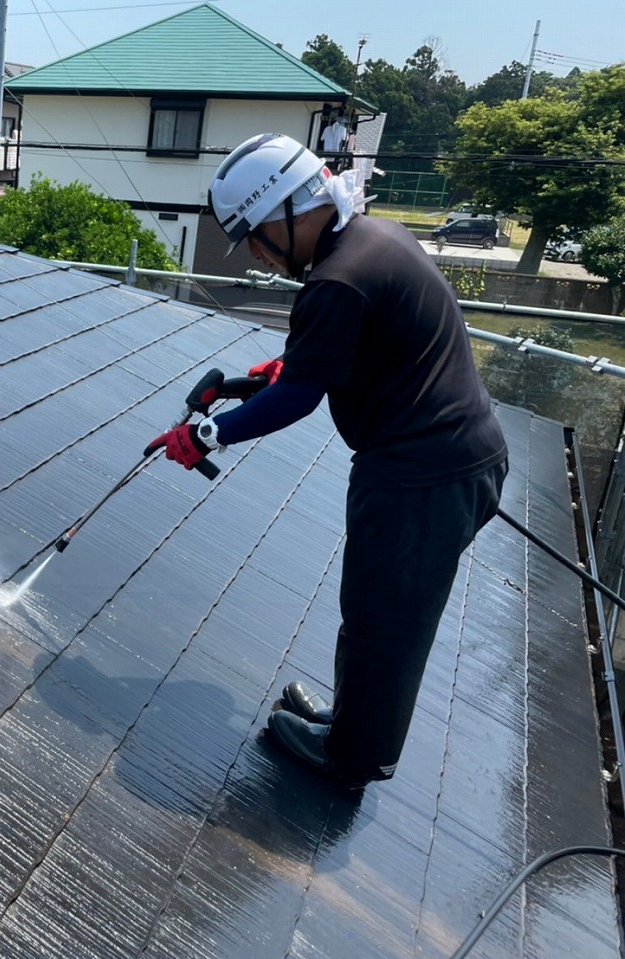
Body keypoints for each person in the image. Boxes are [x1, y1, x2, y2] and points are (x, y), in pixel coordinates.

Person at [147, 132, 508, 787]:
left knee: (386, 617)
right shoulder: (372, 239)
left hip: (423, 473)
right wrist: (262, 377)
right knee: (372, 605)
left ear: (291, 207)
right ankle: (353, 721)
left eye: (256, 235)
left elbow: (297, 401)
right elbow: (333, 357)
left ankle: (356, 754)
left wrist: (207, 435)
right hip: (443, 459)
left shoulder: (338, 279)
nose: (257, 253)